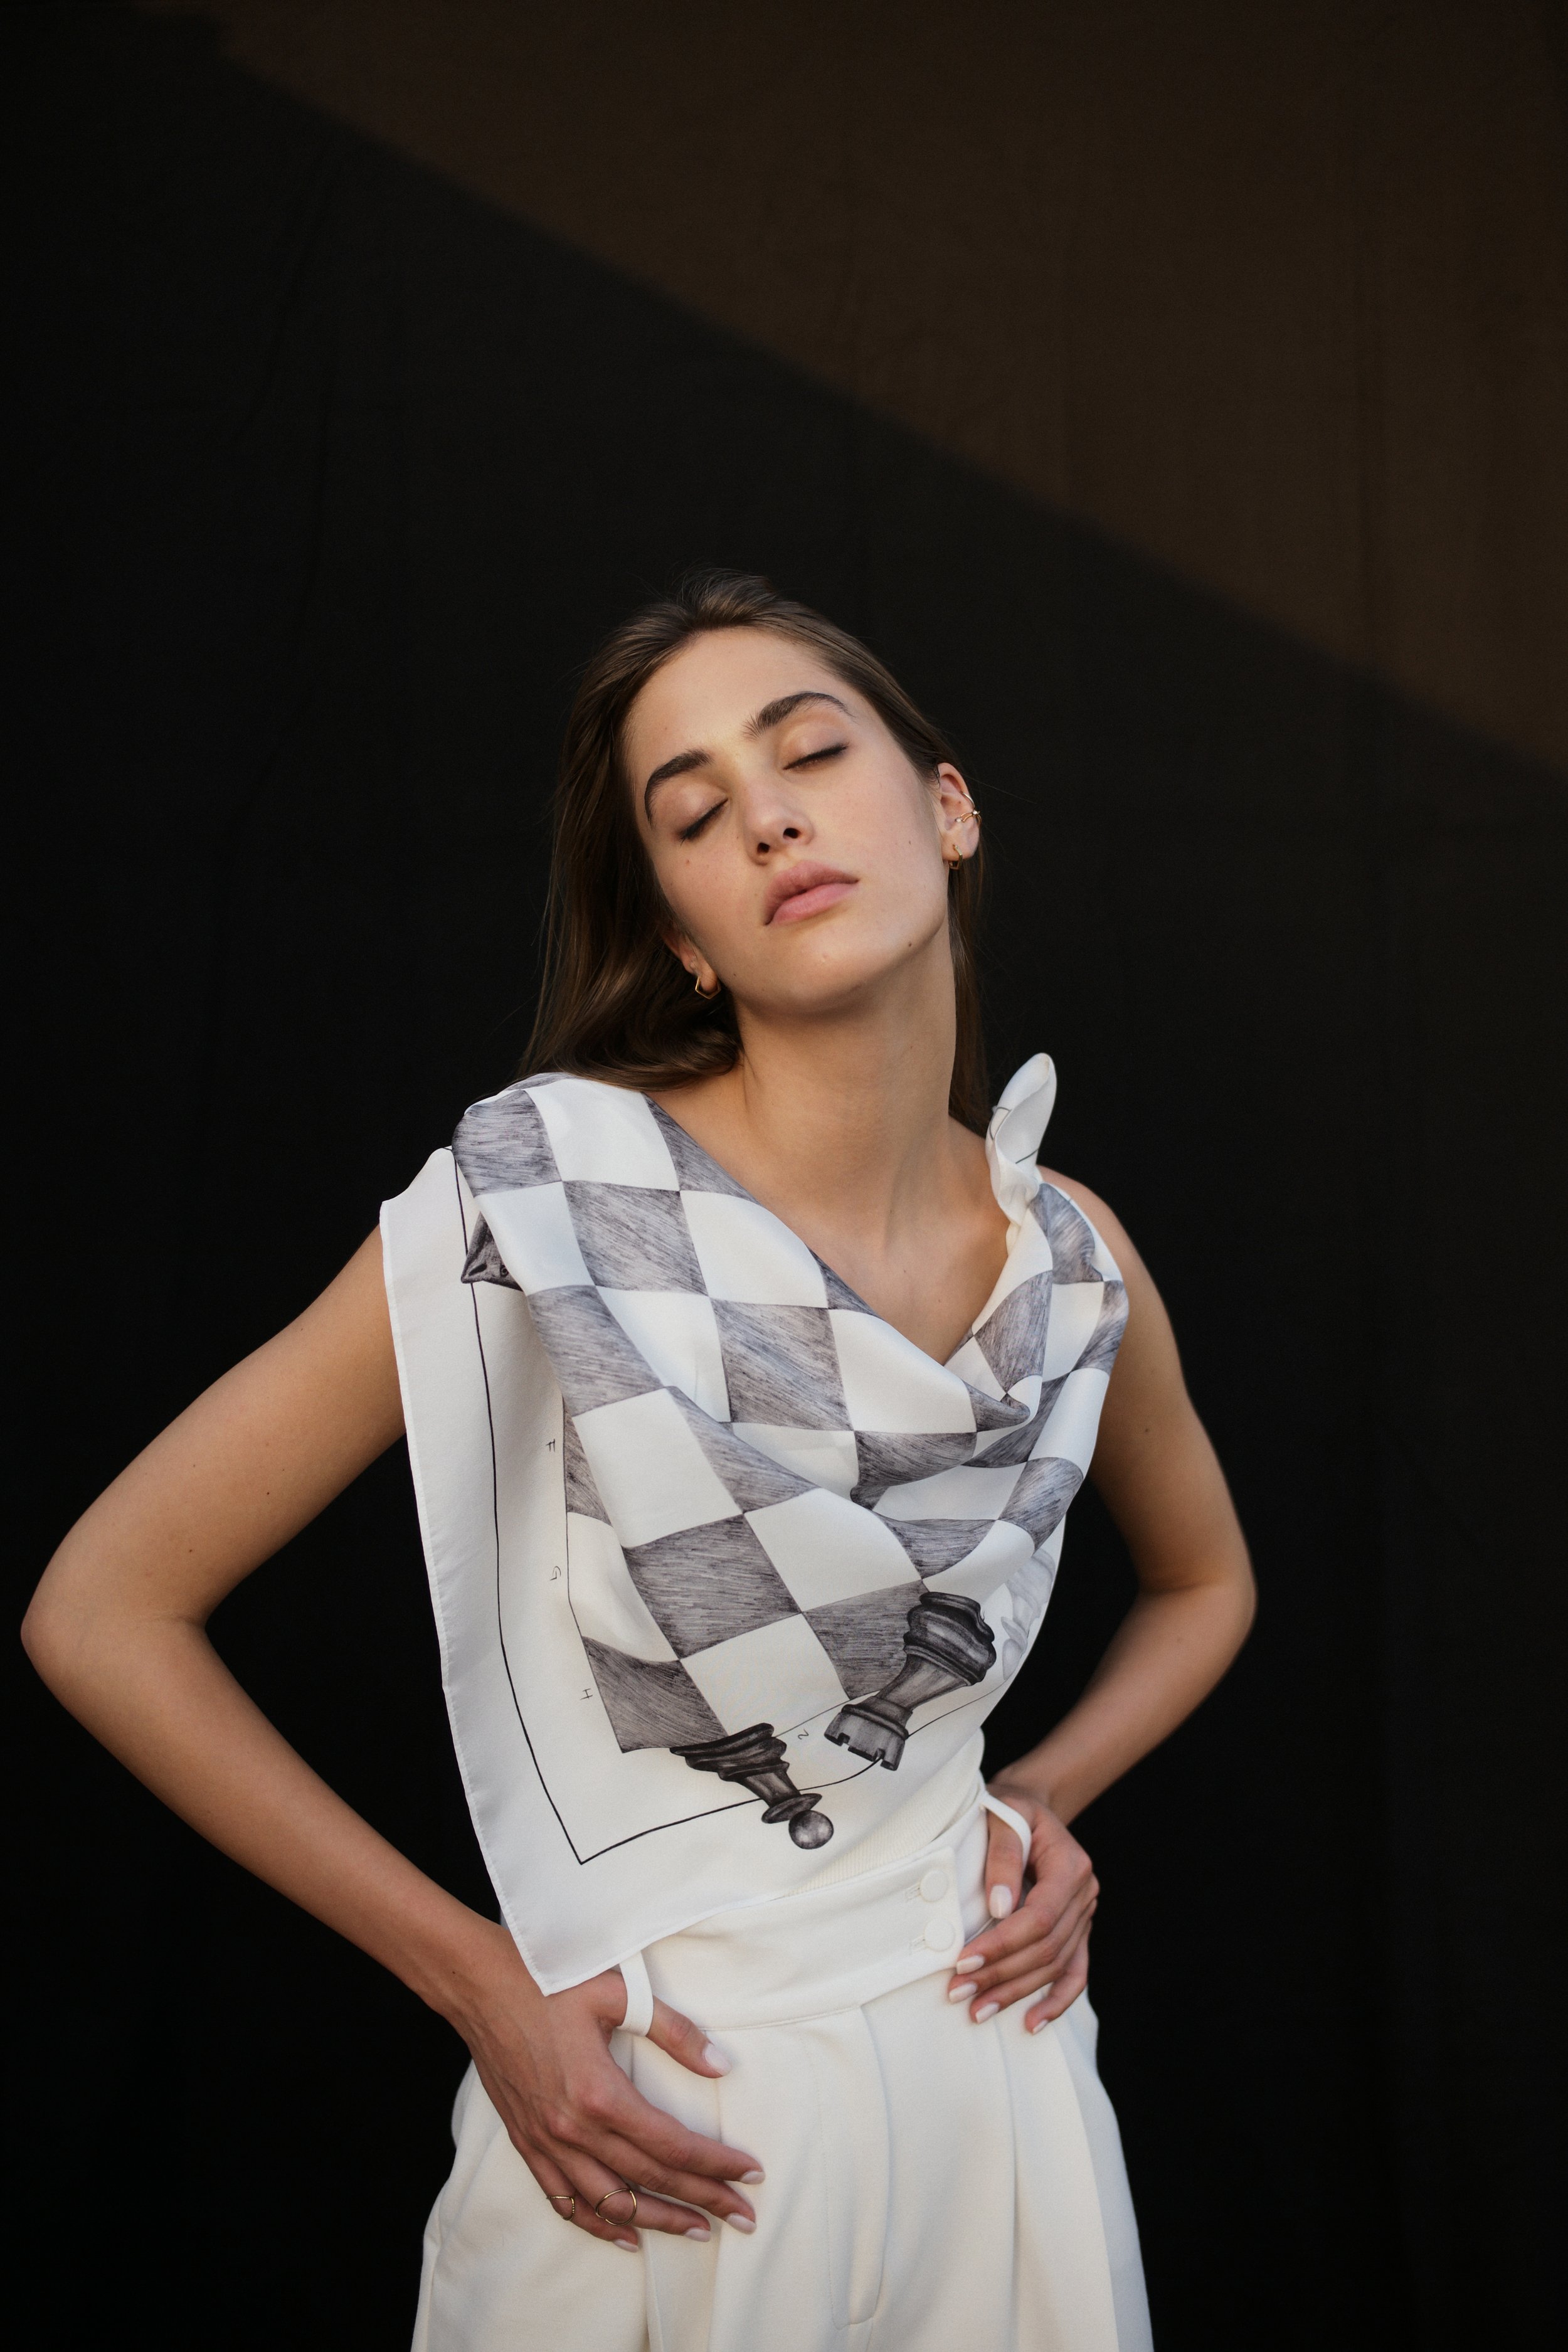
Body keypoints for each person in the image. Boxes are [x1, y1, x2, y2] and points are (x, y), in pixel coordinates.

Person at [23, 569, 1255, 2351]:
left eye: (809, 751)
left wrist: (1040, 1796)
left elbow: (1209, 1581)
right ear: (682, 931)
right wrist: (481, 1985)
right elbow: (102, 1610)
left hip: (995, 2080)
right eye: (691, 813)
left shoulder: (1072, 1254)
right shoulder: (550, 1203)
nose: (765, 813)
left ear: (946, 804)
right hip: (665, 2118)